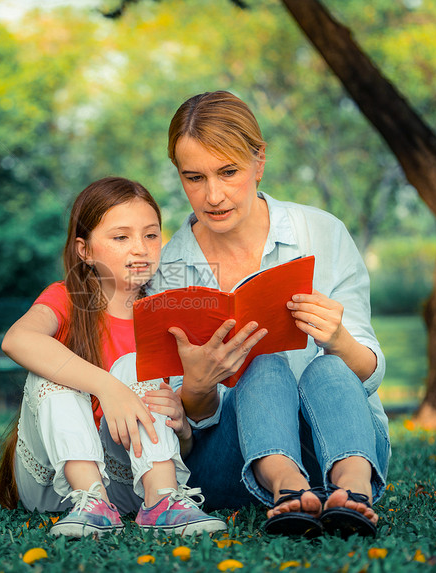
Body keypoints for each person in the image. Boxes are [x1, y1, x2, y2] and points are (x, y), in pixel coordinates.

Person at [143, 91, 390, 538]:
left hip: (341, 442)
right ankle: (287, 488)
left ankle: (354, 490)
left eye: (229, 172)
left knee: (331, 367)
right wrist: (198, 386)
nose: (213, 195)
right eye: (194, 177)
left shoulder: (321, 231)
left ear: (259, 162)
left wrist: (339, 339)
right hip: (234, 462)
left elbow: (369, 373)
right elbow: (183, 423)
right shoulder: (170, 268)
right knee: (264, 363)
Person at [0, 177, 226, 538]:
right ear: (84, 251)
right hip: (53, 486)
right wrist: (109, 388)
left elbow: (183, 442)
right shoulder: (65, 298)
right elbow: (17, 339)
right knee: (54, 368)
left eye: (151, 235)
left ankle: (163, 500)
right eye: (121, 237)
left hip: (129, 486)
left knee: (138, 364)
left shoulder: (166, 313)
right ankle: (91, 502)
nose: (141, 249)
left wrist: (181, 426)